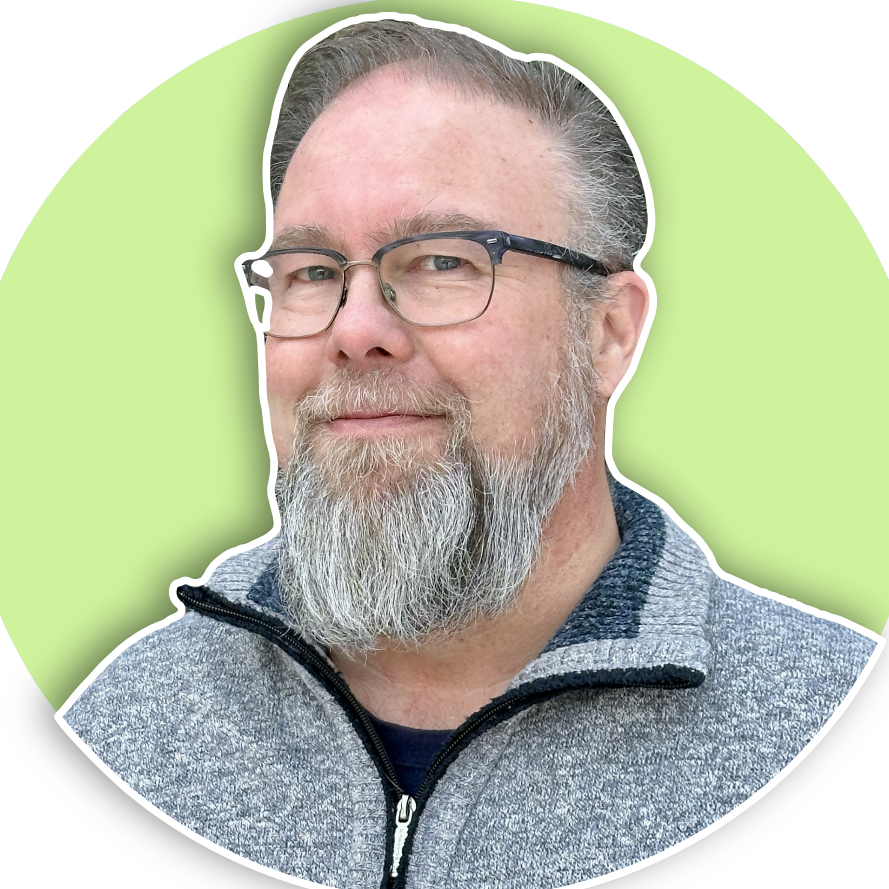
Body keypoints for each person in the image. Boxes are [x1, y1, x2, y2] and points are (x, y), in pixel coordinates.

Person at [59, 17, 880, 889]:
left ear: (606, 332)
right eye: (312, 272)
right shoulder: (128, 724)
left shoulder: (813, 711)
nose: (355, 330)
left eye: (443, 262)